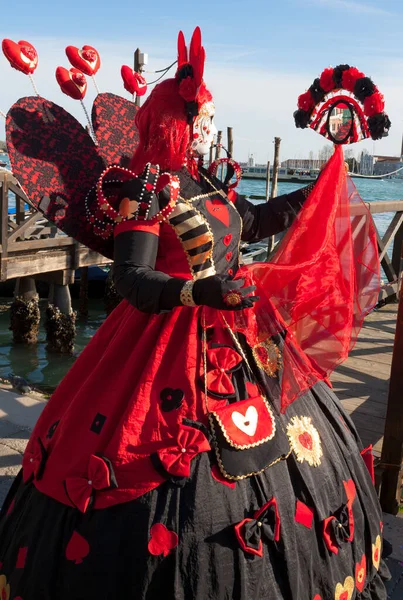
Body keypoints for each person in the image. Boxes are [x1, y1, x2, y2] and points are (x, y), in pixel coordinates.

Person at [0, 27, 389, 600]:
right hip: (165, 340)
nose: (209, 126)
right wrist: (197, 295)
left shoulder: (207, 180)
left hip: (239, 329)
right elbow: (129, 278)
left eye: (210, 117)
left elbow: (251, 225)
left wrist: (313, 194)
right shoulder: (146, 187)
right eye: (203, 117)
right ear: (175, 123)